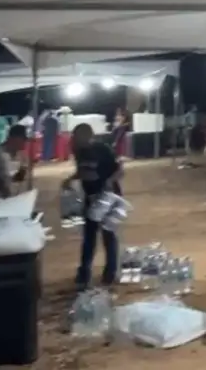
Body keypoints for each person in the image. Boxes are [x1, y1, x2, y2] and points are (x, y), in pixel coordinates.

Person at [66, 123, 124, 290]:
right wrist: (70, 179)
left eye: (77, 136)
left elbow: (120, 170)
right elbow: (83, 171)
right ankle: (84, 273)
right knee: (89, 236)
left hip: (107, 196)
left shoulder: (102, 150)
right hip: (91, 197)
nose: (74, 140)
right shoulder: (79, 153)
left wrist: (109, 181)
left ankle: (110, 273)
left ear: (87, 136)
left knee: (108, 235)